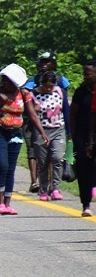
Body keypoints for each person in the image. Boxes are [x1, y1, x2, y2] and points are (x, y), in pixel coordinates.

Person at [0, 64, 49, 215]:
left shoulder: (24, 94)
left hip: (15, 134)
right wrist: (0, 102)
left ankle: (7, 203)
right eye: (4, 80)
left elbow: (31, 114)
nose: (6, 83)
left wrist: (43, 133)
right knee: (2, 166)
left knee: (11, 169)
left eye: (9, 81)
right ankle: (0, 203)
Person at [23, 52, 71, 194]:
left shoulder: (61, 81)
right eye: (41, 62)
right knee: (34, 153)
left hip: (56, 125)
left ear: (53, 64)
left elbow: (64, 104)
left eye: (47, 61)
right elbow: (25, 94)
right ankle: (35, 182)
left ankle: (52, 186)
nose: (43, 64)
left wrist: (69, 130)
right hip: (34, 123)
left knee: (54, 156)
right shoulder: (33, 80)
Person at [30, 71, 67, 201]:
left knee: (57, 158)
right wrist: (34, 109)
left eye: (51, 86)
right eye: (46, 86)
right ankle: (44, 189)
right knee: (43, 161)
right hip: (41, 131)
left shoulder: (59, 92)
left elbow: (66, 110)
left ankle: (55, 188)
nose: (48, 89)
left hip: (58, 129)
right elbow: (29, 114)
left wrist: (69, 131)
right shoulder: (33, 94)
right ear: (42, 84)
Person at [73, 59, 96, 216]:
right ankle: (86, 204)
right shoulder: (81, 92)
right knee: (83, 171)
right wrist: (73, 136)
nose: (85, 76)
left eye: (88, 73)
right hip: (82, 135)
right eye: (84, 73)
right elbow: (73, 114)